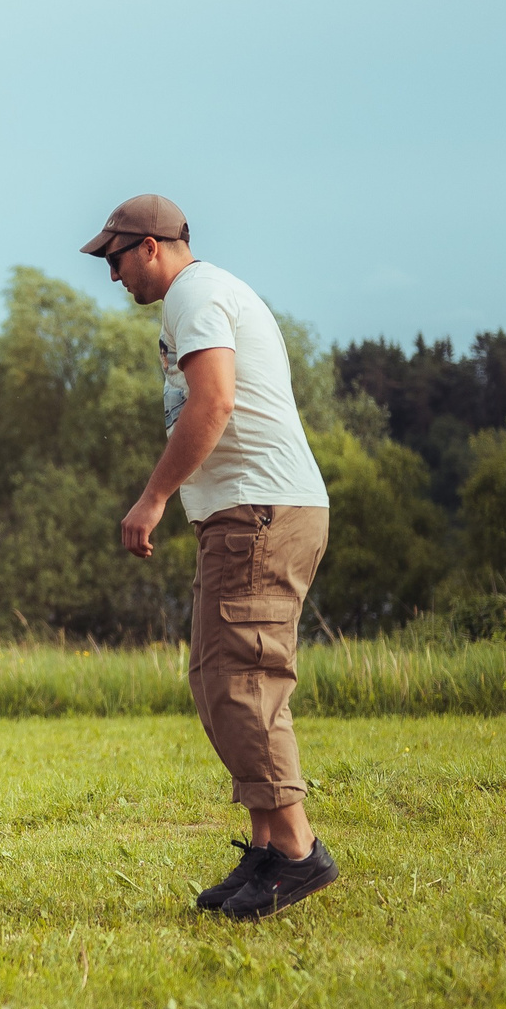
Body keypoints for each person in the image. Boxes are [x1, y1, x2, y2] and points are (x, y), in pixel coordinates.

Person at [85, 193, 338, 919]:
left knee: (244, 681)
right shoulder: (199, 296)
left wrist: (153, 498)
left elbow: (214, 401)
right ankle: (266, 846)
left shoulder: (195, 295)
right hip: (247, 512)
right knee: (216, 678)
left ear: (152, 246)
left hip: (259, 511)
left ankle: (297, 852)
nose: (112, 274)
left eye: (115, 258)